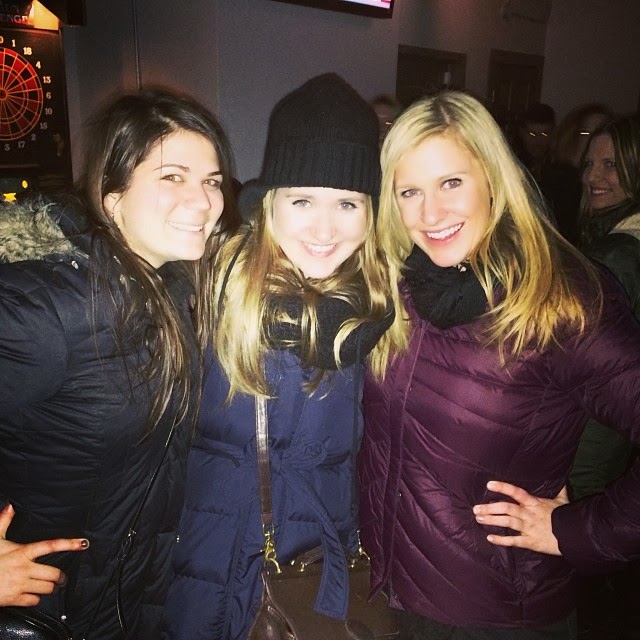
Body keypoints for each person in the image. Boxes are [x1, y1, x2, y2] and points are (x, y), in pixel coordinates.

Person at [358, 90, 640, 639]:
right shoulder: (397, 284)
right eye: (410, 191)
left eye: (451, 183)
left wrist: (578, 530)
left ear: (492, 176)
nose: (430, 214)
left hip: (499, 614)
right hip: (399, 595)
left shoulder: (559, 296)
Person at [161, 73, 400, 640]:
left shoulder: (381, 311)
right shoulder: (211, 288)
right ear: (271, 205)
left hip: (320, 572)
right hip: (211, 570)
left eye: (347, 203)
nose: (324, 228)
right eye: (302, 200)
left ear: (371, 212)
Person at [0, 86, 239, 639]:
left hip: (123, 602)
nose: (203, 202)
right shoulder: (47, 308)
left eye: (211, 181)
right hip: (48, 611)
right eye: (172, 177)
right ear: (112, 197)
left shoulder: (168, 286)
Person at [568, 114, 640, 639]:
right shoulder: (615, 243)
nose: (595, 176)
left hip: (588, 442)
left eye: (612, 164)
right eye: (590, 163)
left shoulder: (617, 256)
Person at [538, 103, 614, 244]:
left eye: (601, 132)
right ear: (570, 137)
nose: (594, 140)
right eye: (586, 133)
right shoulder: (554, 183)